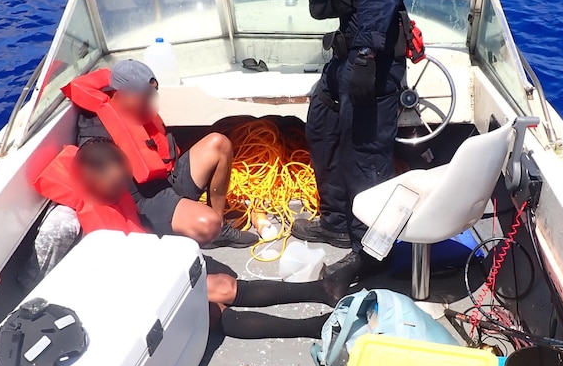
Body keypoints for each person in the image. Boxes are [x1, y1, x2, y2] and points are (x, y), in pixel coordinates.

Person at [206, 0, 414, 282]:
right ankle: (337, 223)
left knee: (366, 157)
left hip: (372, 61)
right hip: (354, 55)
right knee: (322, 123)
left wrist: (363, 59)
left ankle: (372, 258)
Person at [36, 138, 346, 339]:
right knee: (212, 311)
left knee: (223, 285)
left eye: (123, 184)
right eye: (113, 187)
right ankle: (311, 328)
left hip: (142, 266)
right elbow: (42, 285)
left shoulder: (117, 187)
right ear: (87, 181)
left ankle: (321, 289)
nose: (121, 193)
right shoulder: (63, 224)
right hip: (114, 294)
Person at [63, 59, 258, 249]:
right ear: (120, 93)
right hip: (146, 200)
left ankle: (219, 230)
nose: (149, 100)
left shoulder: (142, 111)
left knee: (219, 143)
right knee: (208, 224)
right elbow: (93, 166)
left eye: (151, 94)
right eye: (143, 95)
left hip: (168, 178)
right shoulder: (95, 125)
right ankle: (202, 228)